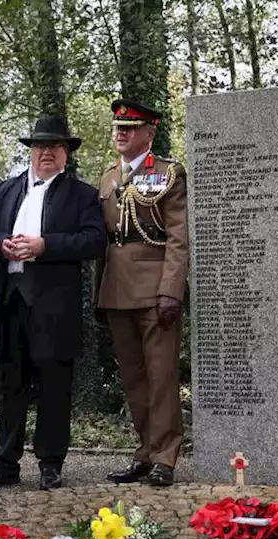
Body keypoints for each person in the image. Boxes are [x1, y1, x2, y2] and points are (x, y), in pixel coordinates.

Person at [0, 115, 106, 491]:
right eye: (40, 146)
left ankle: (50, 463)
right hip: (9, 299)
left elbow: (94, 241)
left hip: (53, 304)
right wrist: (1, 244)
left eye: (55, 146)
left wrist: (46, 246)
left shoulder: (83, 194)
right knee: (9, 384)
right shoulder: (4, 190)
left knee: (53, 385)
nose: (47, 152)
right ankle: (5, 463)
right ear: (31, 151)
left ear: (66, 154)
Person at [95, 99, 189, 487]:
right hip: (116, 291)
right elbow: (104, 241)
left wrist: (171, 291)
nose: (121, 133)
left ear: (149, 133)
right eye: (119, 127)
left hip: (154, 291)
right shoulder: (106, 177)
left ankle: (166, 456)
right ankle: (145, 452)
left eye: (130, 128)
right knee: (133, 378)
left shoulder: (168, 174)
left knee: (162, 375)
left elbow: (178, 239)